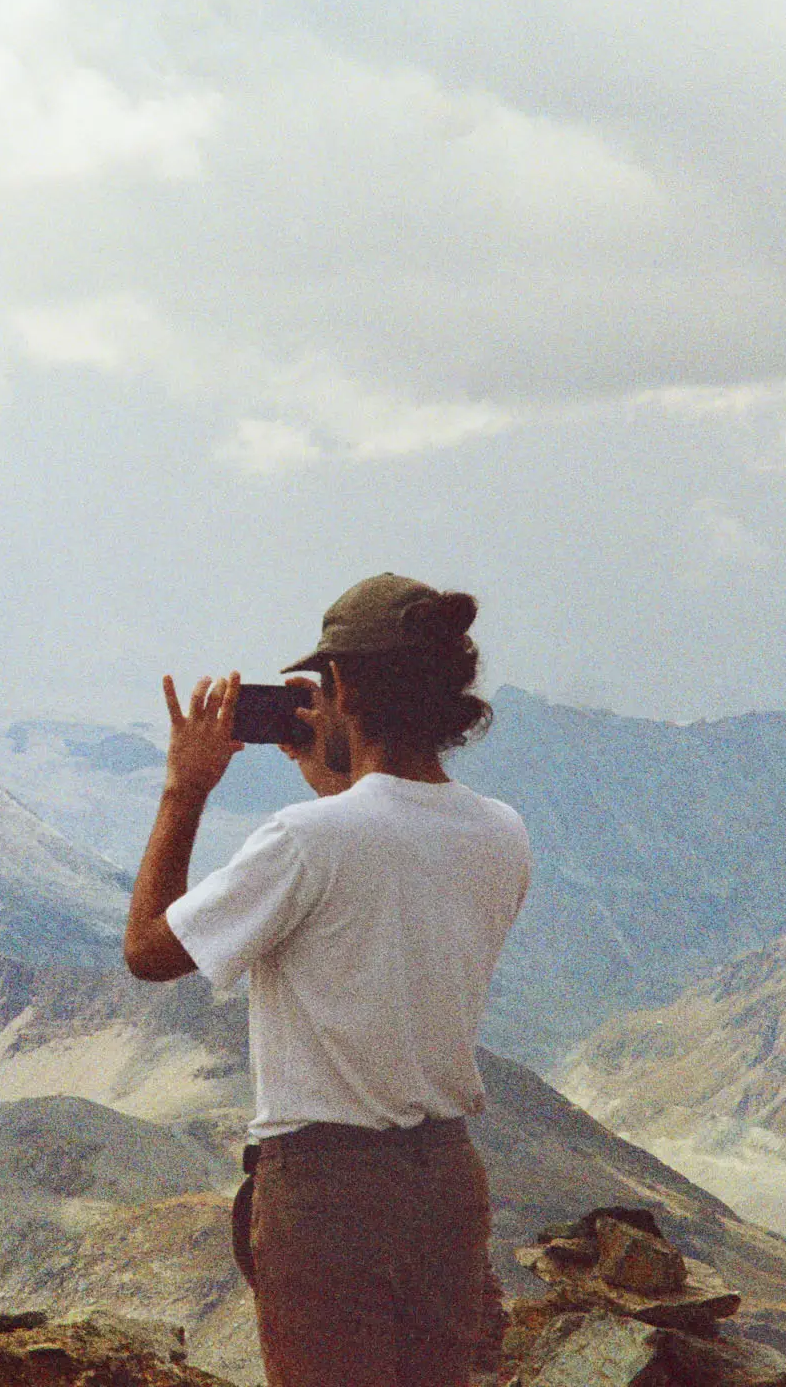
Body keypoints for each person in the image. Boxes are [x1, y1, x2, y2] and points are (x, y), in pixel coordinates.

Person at [122, 573, 530, 1387]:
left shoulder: (309, 840)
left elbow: (148, 950)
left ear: (341, 686)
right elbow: (395, 852)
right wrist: (338, 786)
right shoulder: (502, 832)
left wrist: (184, 788)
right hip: (448, 1182)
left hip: (330, 1194)